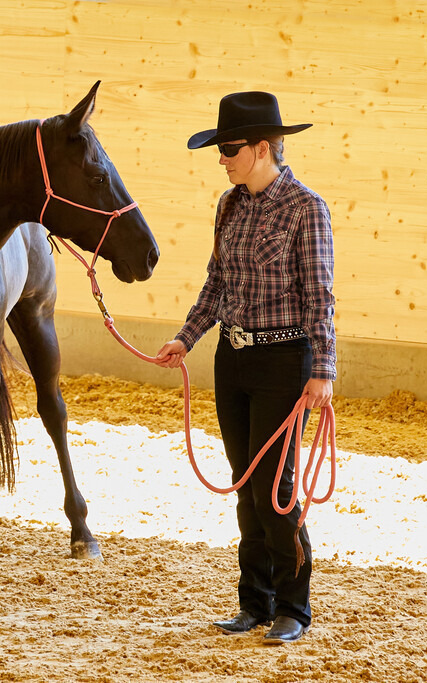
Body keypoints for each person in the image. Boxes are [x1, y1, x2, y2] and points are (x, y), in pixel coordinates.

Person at [155, 91, 336, 644]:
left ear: (263, 148)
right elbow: (217, 284)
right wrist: (186, 338)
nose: (222, 156)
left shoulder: (307, 208)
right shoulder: (229, 205)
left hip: (286, 360)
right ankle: (253, 602)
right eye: (220, 147)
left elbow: (319, 295)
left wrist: (323, 369)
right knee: (244, 486)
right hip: (232, 359)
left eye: (229, 147)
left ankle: (294, 607)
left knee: (273, 489)